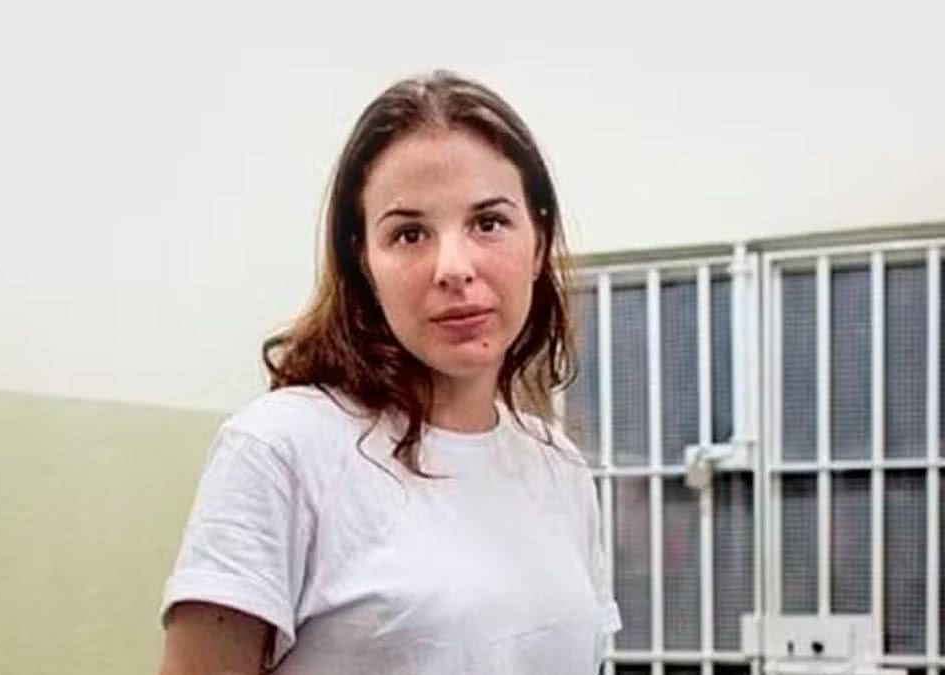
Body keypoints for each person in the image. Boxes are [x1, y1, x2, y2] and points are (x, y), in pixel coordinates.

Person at [158, 71, 621, 675]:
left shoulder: (558, 467)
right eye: (409, 234)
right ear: (364, 262)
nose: (453, 268)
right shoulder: (280, 449)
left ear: (537, 242)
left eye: (488, 223)